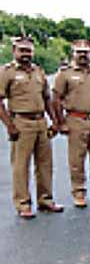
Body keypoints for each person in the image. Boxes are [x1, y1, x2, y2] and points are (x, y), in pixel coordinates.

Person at [0, 37, 64, 218]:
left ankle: (45, 200)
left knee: (45, 164)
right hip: (21, 122)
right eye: (22, 50)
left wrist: (55, 121)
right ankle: (23, 204)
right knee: (21, 166)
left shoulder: (38, 71)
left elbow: (46, 98)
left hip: (40, 122)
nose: (26, 54)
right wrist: (9, 126)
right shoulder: (7, 72)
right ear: (14, 51)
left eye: (28, 50)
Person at [52, 39, 90, 207]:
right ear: (73, 53)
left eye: (85, 52)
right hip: (76, 120)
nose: (82, 55)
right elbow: (56, 99)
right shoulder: (65, 74)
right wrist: (60, 122)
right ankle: (79, 192)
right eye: (79, 52)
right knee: (76, 160)